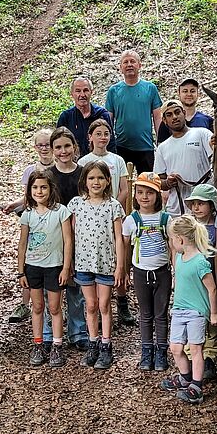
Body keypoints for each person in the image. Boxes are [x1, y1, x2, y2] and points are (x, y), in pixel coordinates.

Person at [69, 160, 126, 370]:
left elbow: (119, 238)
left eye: (100, 178)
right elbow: (71, 235)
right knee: (90, 305)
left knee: (104, 305)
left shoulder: (113, 206)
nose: (96, 182)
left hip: (106, 263)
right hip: (84, 263)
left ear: (108, 180)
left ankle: (106, 344)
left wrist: (120, 266)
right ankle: (92, 342)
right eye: (91, 178)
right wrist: (69, 262)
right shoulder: (76, 204)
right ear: (84, 180)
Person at [80, 119, 137, 328]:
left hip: (113, 213)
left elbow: (124, 189)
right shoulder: (83, 161)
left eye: (106, 133)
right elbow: (82, 191)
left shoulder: (117, 160)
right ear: (90, 137)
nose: (102, 137)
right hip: (90, 218)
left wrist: (111, 207)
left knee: (118, 255)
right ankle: (93, 306)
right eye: (98, 133)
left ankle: (121, 300)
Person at [160, 215, 217, 405]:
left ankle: (196, 385)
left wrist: (213, 312)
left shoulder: (200, 262)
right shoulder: (179, 257)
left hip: (196, 312)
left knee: (195, 348)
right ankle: (185, 377)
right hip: (179, 310)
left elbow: (212, 288)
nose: (171, 243)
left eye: (172, 239)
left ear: (180, 239)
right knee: (176, 348)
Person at [17, 170, 73, 368]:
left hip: (54, 266)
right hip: (33, 267)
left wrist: (66, 268)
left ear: (51, 189)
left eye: (43, 187)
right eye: (35, 187)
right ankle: (38, 344)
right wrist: (21, 271)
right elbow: (22, 244)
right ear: (29, 190)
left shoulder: (61, 212)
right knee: (38, 306)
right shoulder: (27, 214)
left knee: (55, 307)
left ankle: (57, 344)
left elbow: (68, 240)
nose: (39, 191)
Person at [44, 127, 89, 350]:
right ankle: (48, 332)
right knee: (51, 285)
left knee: (75, 285)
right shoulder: (47, 176)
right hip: (53, 237)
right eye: (58, 147)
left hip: (79, 235)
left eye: (67, 146)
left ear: (75, 148)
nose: (63, 151)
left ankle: (78, 330)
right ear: (52, 150)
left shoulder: (83, 173)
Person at [122, 172, 173, 371]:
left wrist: (175, 270)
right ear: (135, 195)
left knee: (160, 313)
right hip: (141, 272)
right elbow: (125, 247)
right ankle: (146, 350)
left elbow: (173, 246)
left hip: (162, 272)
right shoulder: (131, 220)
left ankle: (161, 350)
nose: (145, 197)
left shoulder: (166, 219)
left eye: (150, 193)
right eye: (141, 192)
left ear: (158, 195)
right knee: (145, 314)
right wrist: (124, 271)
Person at [4, 128, 54, 324]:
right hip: (33, 221)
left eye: (47, 144)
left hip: (53, 221)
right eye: (40, 145)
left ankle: (54, 305)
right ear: (35, 147)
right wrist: (14, 205)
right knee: (30, 258)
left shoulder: (58, 168)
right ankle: (25, 304)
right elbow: (27, 198)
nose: (44, 148)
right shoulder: (30, 171)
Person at [183, 184, 217, 380]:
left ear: (212, 205)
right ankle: (192, 354)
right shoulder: (187, 226)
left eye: (201, 203)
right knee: (193, 316)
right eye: (193, 204)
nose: (196, 207)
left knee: (214, 317)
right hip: (191, 281)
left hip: (212, 279)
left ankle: (210, 356)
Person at [104, 50, 162, 173]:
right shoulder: (114, 91)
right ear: (120, 67)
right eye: (125, 62)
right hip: (121, 146)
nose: (129, 64)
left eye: (132, 61)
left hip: (145, 145)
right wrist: (108, 144)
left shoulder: (150, 88)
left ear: (139, 65)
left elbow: (157, 117)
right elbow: (108, 119)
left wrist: (160, 139)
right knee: (121, 183)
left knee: (147, 184)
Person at [154, 99, 214, 216]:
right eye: (169, 115)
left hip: (204, 202)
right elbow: (158, 181)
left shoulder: (202, 134)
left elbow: (216, 159)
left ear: (184, 113)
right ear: (165, 121)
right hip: (177, 208)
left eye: (177, 112)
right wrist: (168, 182)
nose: (175, 117)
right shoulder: (162, 148)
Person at [57, 77, 117, 156]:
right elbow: (58, 143)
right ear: (72, 94)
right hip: (74, 164)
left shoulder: (102, 115)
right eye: (78, 91)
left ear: (91, 92)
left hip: (98, 162)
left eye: (86, 90)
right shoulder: (66, 117)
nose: (82, 95)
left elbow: (111, 142)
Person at [156, 78, 214, 143]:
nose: (189, 94)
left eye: (192, 91)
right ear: (179, 93)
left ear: (198, 93)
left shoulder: (207, 120)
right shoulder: (168, 121)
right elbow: (161, 146)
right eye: (185, 91)